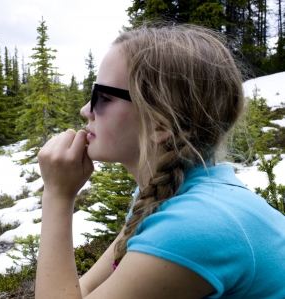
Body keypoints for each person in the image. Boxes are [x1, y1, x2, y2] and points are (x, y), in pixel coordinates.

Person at [35, 24, 285, 299]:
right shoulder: (166, 191)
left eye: (103, 97)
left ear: (161, 123)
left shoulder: (193, 225)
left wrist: (57, 195)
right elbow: (86, 290)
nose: (85, 110)